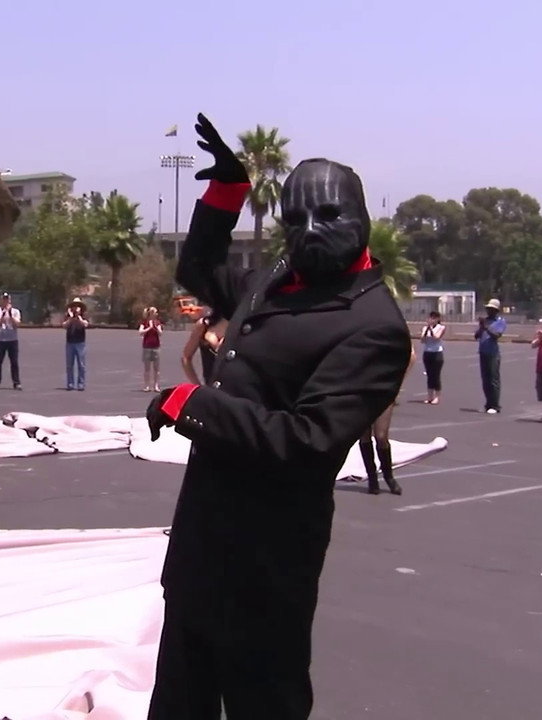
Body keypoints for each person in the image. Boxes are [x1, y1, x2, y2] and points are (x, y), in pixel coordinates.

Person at [144, 113, 411, 719]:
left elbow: (308, 443)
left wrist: (193, 403)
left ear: (363, 217)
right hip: (201, 542)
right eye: (297, 220)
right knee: (178, 701)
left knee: (263, 701)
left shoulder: (372, 327)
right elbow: (199, 272)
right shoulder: (277, 279)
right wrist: (225, 194)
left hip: (269, 564)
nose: (311, 231)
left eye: (330, 215)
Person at [357, 344, 417, 495]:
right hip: (361, 391)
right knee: (364, 436)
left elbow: (410, 356)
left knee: (381, 436)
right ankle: (372, 478)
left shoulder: (386, 337)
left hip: (384, 390)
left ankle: (389, 477)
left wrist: (396, 382)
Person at [474, 298, 506, 413]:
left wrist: (487, 327)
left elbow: (497, 335)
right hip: (483, 352)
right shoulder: (485, 321)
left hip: (493, 353)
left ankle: (495, 405)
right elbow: (476, 336)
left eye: (491, 309)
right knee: (485, 379)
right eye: (488, 309)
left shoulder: (500, 321)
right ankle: (488, 404)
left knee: (493, 380)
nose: (488, 311)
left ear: (496, 310)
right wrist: (481, 327)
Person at [181, 308, 226, 385]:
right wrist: (197, 386)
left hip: (239, 391)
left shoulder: (242, 326)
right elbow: (186, 357)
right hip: (212, 389)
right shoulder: (204, 325)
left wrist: (215, 345)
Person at [0, 292, 21, 390]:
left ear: (10, 301)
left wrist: (10, 315)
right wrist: (2, 317)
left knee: (14, 362)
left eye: (7, 299)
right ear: (1, 300)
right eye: (4, 299)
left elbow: (17, 324)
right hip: (0, 340)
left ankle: (16, 382)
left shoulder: (15, 312)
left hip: (12, 340)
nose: (6, 301)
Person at [62, 297, 90, 391]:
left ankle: (81, 384)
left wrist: (78, 317)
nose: (76, 307)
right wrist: (70, 318)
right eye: (74, 306)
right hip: (70, 342)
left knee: (81, 365)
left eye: (78, 306)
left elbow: (85, 325)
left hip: (80, 343)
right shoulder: (68, 315)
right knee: (69, 365)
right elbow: (64, 325)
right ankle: (70, 384)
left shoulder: (84, 315)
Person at [420, 310, 446, 404]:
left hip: (437, 353)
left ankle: (437, 397)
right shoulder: (424, 328)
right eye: (431, 317)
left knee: (436, 375)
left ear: (438, 319)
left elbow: (436, 338)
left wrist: (431, 328)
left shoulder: (441, 327)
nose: (432, 319)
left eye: (434, 317)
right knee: (429, 375)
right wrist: (427, 329)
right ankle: (429, 396)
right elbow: (422, 340)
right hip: (427, 353)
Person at [139, 306, 164, 392]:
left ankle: (156, 386)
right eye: (155, 312)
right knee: (147, 368)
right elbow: (140, 332)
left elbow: (161, 333)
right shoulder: (144, 323)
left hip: (156, 347)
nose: (157, 314)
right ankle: (147, 386)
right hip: (147, 347)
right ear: (151, 314)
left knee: (156, 368)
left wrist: (156, 327)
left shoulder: (157, 323)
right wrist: (149, 328)